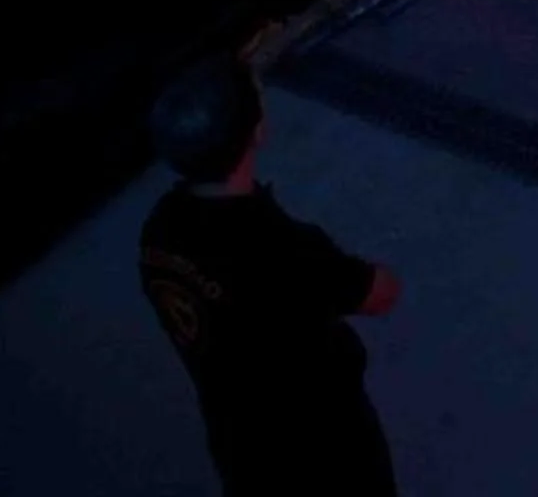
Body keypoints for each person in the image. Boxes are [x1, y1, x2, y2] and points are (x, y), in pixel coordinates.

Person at [141, 56, 401, 496]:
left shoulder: (161, 229)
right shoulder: (281, 248)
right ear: (253, 133)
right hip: (322, 443)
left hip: (238, 437)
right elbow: (380, 293)